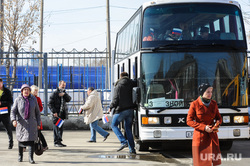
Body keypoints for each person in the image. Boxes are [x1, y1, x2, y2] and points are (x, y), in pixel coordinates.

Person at [186, 83, 222, 166]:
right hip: (200, 137)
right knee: (201, 163)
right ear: (202, 93)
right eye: (208, 92)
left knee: (211, 162)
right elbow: (189, 121)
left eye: (211, 92)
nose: (210, 94)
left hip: (212, 136)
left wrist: (217, 124)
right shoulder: (194, 104)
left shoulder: (214, 104)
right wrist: (204, 127)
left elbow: (219, 118)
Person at [10, 84, 40, 164]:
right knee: (21, 141)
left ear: (30, 91)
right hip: (21, 124)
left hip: (32, 123)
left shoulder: (33, 99)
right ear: (22, 91)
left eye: (28, 90)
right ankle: (20, 155)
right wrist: (13, 120)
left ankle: (31, 158)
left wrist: (38, 123)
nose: (26, 91)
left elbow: (37, 112)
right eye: (24, 89)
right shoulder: (17, 100)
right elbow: (13, 111)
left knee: (31, 141)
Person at [109, 72, 137, 154]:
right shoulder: (132, 83)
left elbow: (115, 99)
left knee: (114, 125)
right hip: (131, 110)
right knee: (128, 129)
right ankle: (132, 149)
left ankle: (123, 142)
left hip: (121, 110)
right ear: (127, 77)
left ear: (120, 77)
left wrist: (111, 107)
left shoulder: (118, 85)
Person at [48, 80, 71, 147]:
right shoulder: (54, 93)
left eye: (64, 85)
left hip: (62, 114)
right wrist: (54, 112)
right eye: (62, 85)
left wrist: (64, 95)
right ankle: (56, 142)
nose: (63, 86)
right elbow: (50, 104)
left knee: (60, 128)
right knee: (56, 128)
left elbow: (69, 99)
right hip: (56, 114)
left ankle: (59, 141)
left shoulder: (64, 93)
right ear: (59, 85)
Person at [30, 85, 48, 151]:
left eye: (37, 91)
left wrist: (36, 111)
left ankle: (45, 145)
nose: (36, 92)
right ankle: (25, 146)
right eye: (35, 90)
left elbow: (41, 107)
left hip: (36, 117)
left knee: (38, 132)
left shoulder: (38, 99)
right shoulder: (28, 98)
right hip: (29, 117)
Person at [0, 77, 14, 149]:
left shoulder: (7, 91)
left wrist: (2, 103)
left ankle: (11, 143)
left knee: (8, 128)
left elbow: (10, 102)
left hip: (4, 112)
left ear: (2, 83)